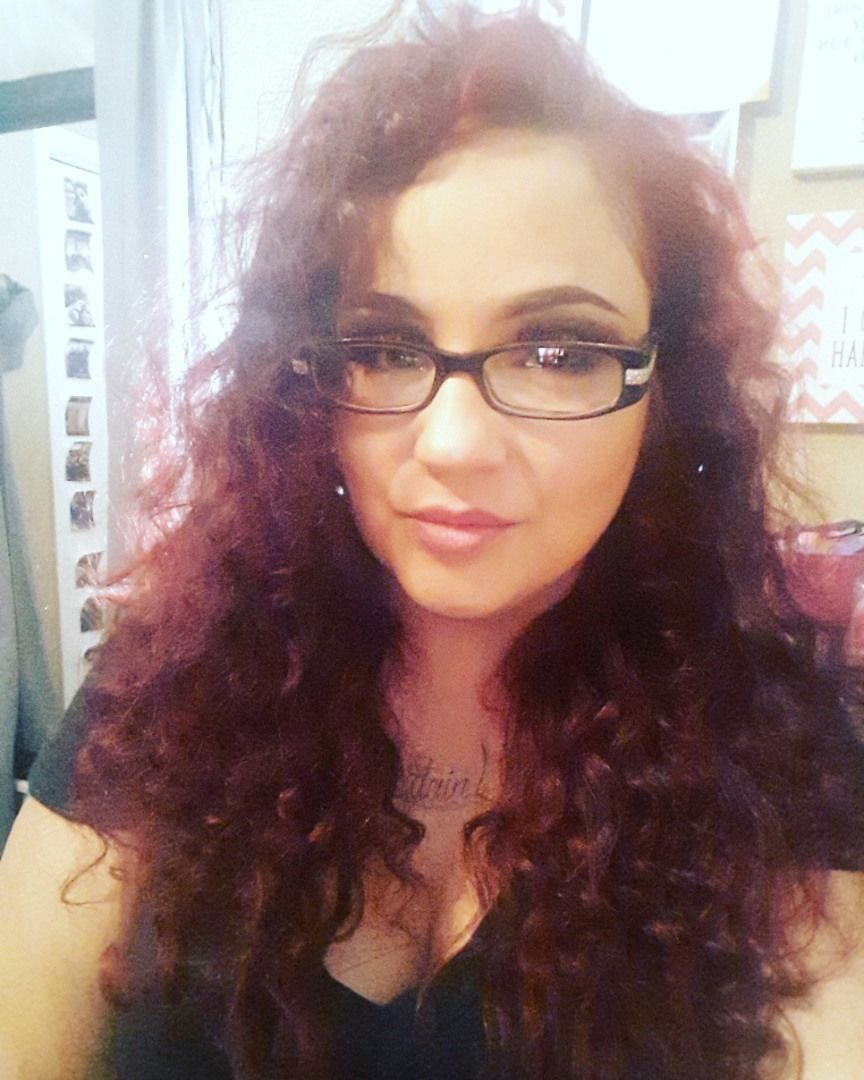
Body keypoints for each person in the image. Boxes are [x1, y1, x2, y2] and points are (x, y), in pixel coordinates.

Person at [2, 7, 864, 1079]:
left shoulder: (781, 754)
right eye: (385, 347)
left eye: (559, 352)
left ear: (667, 392)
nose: (453, 444)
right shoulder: (162, 700)